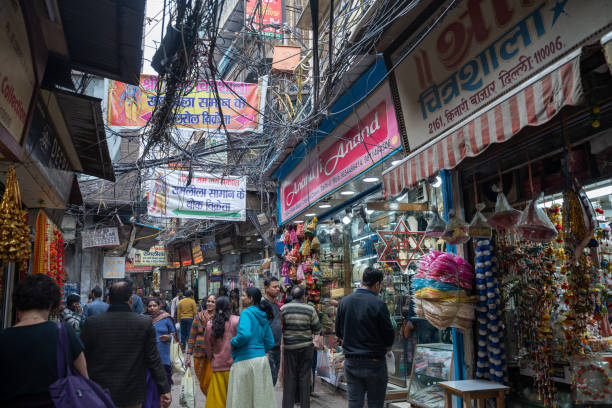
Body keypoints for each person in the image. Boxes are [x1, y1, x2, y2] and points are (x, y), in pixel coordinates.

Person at [0, 274, 88, 407]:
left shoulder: (3, 338)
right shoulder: (64, 333)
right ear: (51, 304)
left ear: (17, 304)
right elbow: (84, 378)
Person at [81, 279, 171, 408]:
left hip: (99, 392)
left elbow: (82, 356)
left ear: (108, 300)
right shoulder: (143, 324)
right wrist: (164, 389)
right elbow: (153, 359)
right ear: (130, 299)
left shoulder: (92, 323)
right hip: (132, 393)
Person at [336, 267, 395, 408]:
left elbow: (338, 332)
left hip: (351, 361)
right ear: (377, 285)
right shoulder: (379, 304)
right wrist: (387, 347)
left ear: (363, 281)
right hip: (374, 362)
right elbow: (388, 336)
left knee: (355, 403)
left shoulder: (344, 302)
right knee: (375, 403)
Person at [226, 287, 276, 408]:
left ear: (251, 299)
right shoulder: (263, 315)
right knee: (260, 400)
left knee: (242, 400)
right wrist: (259, 349)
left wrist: (233, 342)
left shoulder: (246, 313)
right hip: (261, 361)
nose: (242, 297)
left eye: (244, 295)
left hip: (245, 361)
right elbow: (270, 342)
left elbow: (245, 334)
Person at [280, 286, 322, 408]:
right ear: (304, 296)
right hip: (306, 347)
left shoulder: (283, 309)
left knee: (289, 378)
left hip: (290, 348)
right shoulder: (310, 309)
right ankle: (305, 405)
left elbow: (281, 327)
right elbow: (317, 328)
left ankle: (287, 405)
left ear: (292, 296)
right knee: (304, 377)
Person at [204, 296, 240, 408]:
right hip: (234, 366)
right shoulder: (236, 320)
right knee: (235, 400)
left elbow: (208, 347)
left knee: (218, 401)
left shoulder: (210, 324)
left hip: (218, 366)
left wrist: (212, 359)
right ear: (229, 306)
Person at [143, 297, 175, 408]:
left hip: (163, 358)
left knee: (163, 387)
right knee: (149, 389)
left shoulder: (166, 318)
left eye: (154, 306)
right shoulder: (142, 319)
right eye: (149, 306)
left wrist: (169, 337)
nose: (152, 308)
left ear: (159, 306)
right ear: (146, 307)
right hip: (147, 359)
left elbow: (175, 335)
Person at [186, 294, 216, 396]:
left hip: (213, 355)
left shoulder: (218, 317)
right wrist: (188, 355)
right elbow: (192, 336)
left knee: (211, 381)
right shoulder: (198, 316)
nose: (210, 303)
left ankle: (212, 403)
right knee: (202, 383)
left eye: (212, 302)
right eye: (208, 301)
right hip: (199, 353)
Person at [262, 277, 282, 385]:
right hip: (267, 349)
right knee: (269, 380)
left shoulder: (276, 304)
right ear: (266, 288)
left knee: (273, 380)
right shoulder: (263, 305)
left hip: (277, 347)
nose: (278, 289)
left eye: (278, 286)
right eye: (274, 287)